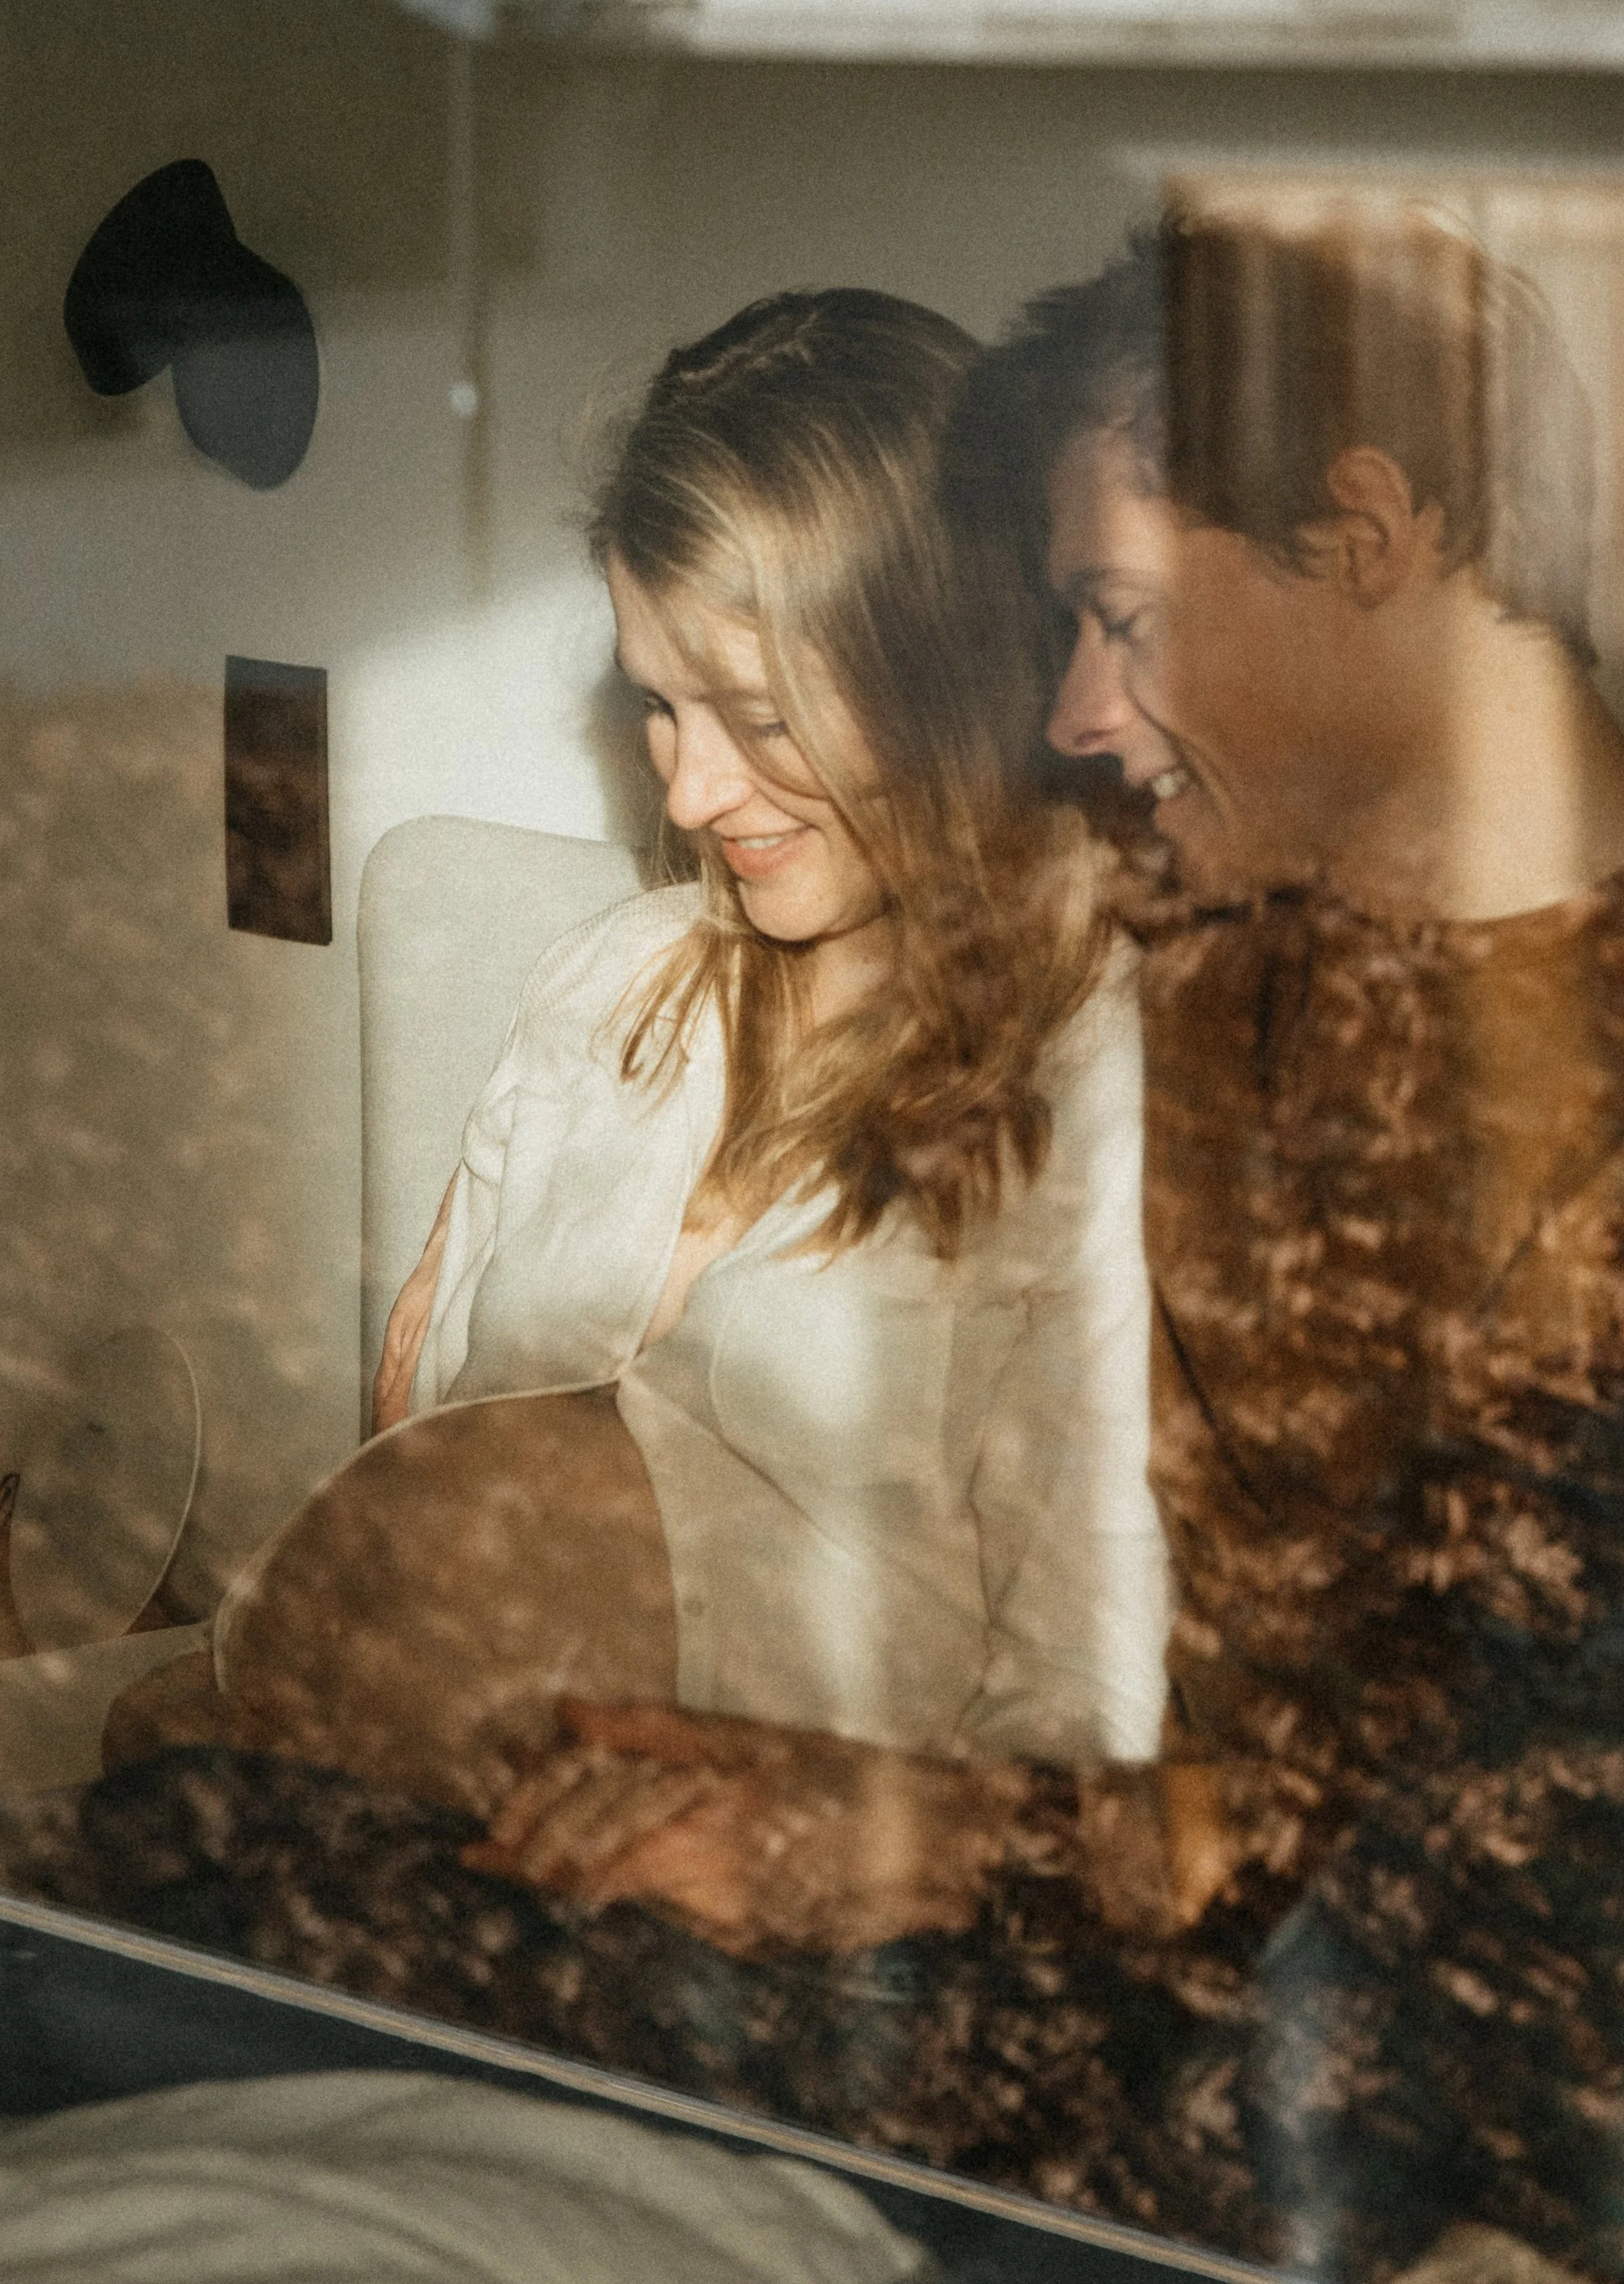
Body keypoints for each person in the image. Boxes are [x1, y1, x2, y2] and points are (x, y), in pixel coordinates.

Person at [943, 204, 1624, 2279]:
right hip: (1183, 2008)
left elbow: (1616, 1874)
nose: (1075, 708)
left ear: (1366, 528)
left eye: (1119, 613)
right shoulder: (1215, 974)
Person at [180, 287, 1170, 1958]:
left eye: (758, 720)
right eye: (654, 704)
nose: (690, 792)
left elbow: (1086, 1687)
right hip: (316, 1798)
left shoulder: (1084, 1085)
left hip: (696, 1925)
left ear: (949, 672)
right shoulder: (613, 987)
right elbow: (421, 1433)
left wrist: (852, 1872)